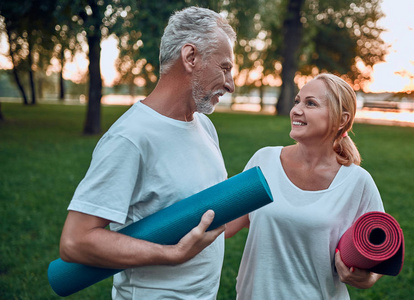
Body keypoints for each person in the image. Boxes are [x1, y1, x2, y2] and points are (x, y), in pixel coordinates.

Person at [59, 6, 236, 299]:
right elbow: (75, 241)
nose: (230, 84)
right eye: (225, 67)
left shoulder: (204, 126)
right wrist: (172, 254)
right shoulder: (130, 138)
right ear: (190, 57)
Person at [226, 73, 384, 299]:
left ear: (341, 119)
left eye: (310, 103)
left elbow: (381, 251)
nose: (296, 110)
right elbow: (225, 224)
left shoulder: (357, 181)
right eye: (297, 101)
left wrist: (368, 278)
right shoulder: (264, 160)